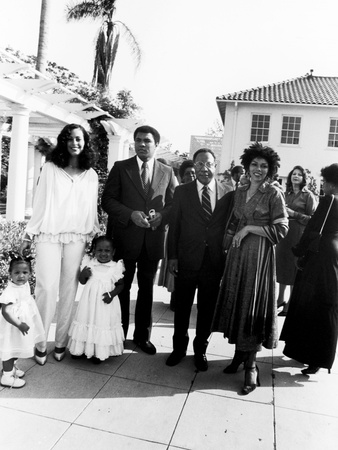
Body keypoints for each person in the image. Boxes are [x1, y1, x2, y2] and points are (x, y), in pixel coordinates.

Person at [212, 142, 288, 394]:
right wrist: (226, 245)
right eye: (254, 164)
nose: (258, 169)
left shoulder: (273, 194)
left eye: (264, 166)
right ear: (247, 166)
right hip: (237, 255)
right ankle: (238, 355)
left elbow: (282, 228)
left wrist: (250, 229)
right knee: (237, 301)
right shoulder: (240, 190)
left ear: (270, 169)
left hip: (260, 258)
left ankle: (251, 366)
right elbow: (234, 220)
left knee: (252, 304)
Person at [20, 124, 100, 365]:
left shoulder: (91, 174)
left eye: (79, 139)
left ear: (85, 142)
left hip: (76, 237)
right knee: (46, 287)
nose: (74, 143)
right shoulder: (51, 169)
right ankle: (41, 342)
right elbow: (40, 203)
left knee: (69, 290)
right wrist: (29, 234)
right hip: (49, 235)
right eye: (69, 139)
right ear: (63, 142)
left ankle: (62, 341)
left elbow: (91, 209)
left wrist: (93, 233)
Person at [101, 125, 177, 355]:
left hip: (152, 241)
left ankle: (142, 337)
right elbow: (108, 200)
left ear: (156, 145)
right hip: (125, 239)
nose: (142, 144)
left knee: (146, 290)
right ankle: (118, 334)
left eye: (147, 141)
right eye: (139, 140)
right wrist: (129, 214)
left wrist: (162, 216)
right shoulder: (121, 168)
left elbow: (175, 204)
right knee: (122, 288)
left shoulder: (167, 171)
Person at [166, 148, 233, 371]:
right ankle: (178, 349)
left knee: (207, 309)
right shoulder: (182, 191)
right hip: (186, 259)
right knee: (182, 307)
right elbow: (174, 226)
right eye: (200, 164)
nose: (204, 169)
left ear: (216, 165)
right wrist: (172, 257)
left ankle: (200, 350)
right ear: (194, 167)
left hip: (213, 261)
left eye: (209, 164)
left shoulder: (227, 192)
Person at [280, 163, 338, 375]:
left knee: (312, 304)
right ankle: (317, 356)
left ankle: (312, 355)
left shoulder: (329, 199)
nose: (323, 185)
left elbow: (314, 228)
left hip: (320, 256)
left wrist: (298, 252)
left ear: (331, 183)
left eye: (324, 181)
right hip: (334, 255)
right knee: (326, 305)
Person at [68, 235, 125, 363]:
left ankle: (98, 351)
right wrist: (83, 274)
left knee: (101, 324)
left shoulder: (115, 267)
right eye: (99, 250)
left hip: (105, 304)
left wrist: (112, 294)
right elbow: (82, 281)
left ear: (113, 252)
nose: (103, 254)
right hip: (88, 303)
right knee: (86, 321)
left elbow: (121, 285)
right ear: (94, 250)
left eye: (107, 251)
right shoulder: (90, 263)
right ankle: (80, 349)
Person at [276, 166, 317, 316]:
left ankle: (290, 304)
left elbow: (313, 220)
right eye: (294, 174)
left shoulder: (308, 196)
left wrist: (294, 213)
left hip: (299, 235)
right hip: (284, 234)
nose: (296, 176)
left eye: (299, 175)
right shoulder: (285, 194)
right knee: (282, 266)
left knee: (293, 268)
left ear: (304, 178)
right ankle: (280, 299)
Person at [0, 255, 45, 388]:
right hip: (13, 326)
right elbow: (6, 312)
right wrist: (19, 324)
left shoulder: (24, 285)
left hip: (21, 325)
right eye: (17, 272)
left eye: (25, 272)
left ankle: (11, 369)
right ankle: (7, 376)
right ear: (10, 274)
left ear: (30, 274)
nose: (21, 276)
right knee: (10, 349)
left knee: (17, 347)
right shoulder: (10, 291)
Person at [158, 159, 196, 312]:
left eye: (193, 173)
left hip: (193, 241)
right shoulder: (178, 191)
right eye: (188, 174)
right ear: (181, 177)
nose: (191, 176)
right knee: (176, 272)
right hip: (176, 237)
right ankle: (175, 299)